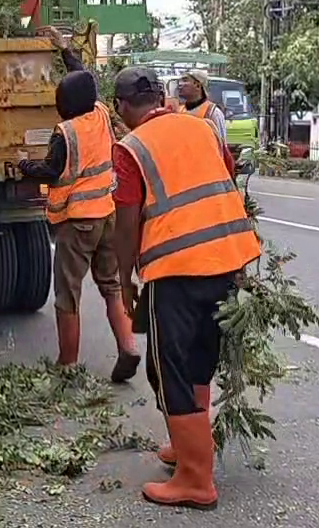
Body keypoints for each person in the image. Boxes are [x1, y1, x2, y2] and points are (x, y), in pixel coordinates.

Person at [109, 66, 262, 510]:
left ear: (121, 107)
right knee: (200, 355)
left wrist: (124, 277)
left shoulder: (131, 148)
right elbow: (226, 180)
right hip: (228, 259)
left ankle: (196, 478)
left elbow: (126, 221)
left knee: (166, 366)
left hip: (174, 267)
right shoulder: (204, 130)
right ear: (163, 96)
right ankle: (187, 446)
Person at [18, 31, 139, 382]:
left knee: (67, 293)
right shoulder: (100, 113)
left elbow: (50, 171)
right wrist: (65, 49)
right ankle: (128, 346)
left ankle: (67, 363)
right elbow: (82, 78)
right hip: (108, 215)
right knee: (112, 286)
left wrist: (24, 164)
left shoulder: (65, 132)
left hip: (78, 222)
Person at [177, 69, 227, 144]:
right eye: (180, 81)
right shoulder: (178, 111)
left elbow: (221, 145)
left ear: (197, 85)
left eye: (185, 80)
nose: (180, 84)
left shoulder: (213, 113)